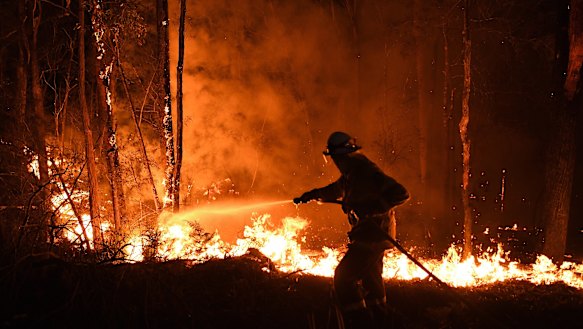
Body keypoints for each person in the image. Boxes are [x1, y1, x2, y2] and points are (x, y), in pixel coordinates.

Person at [293, 131, 409, 329]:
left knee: (343, 278)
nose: (335, 162)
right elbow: (336, 189)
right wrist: (312, 195)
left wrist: (373, 208)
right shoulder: (351, 173)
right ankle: (381, 320)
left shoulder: (367, 171)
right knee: (372, 283)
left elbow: (401, 193)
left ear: (345, 155)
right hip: (369, 236)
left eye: (337, 158)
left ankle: (360, 322)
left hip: (373, 236)